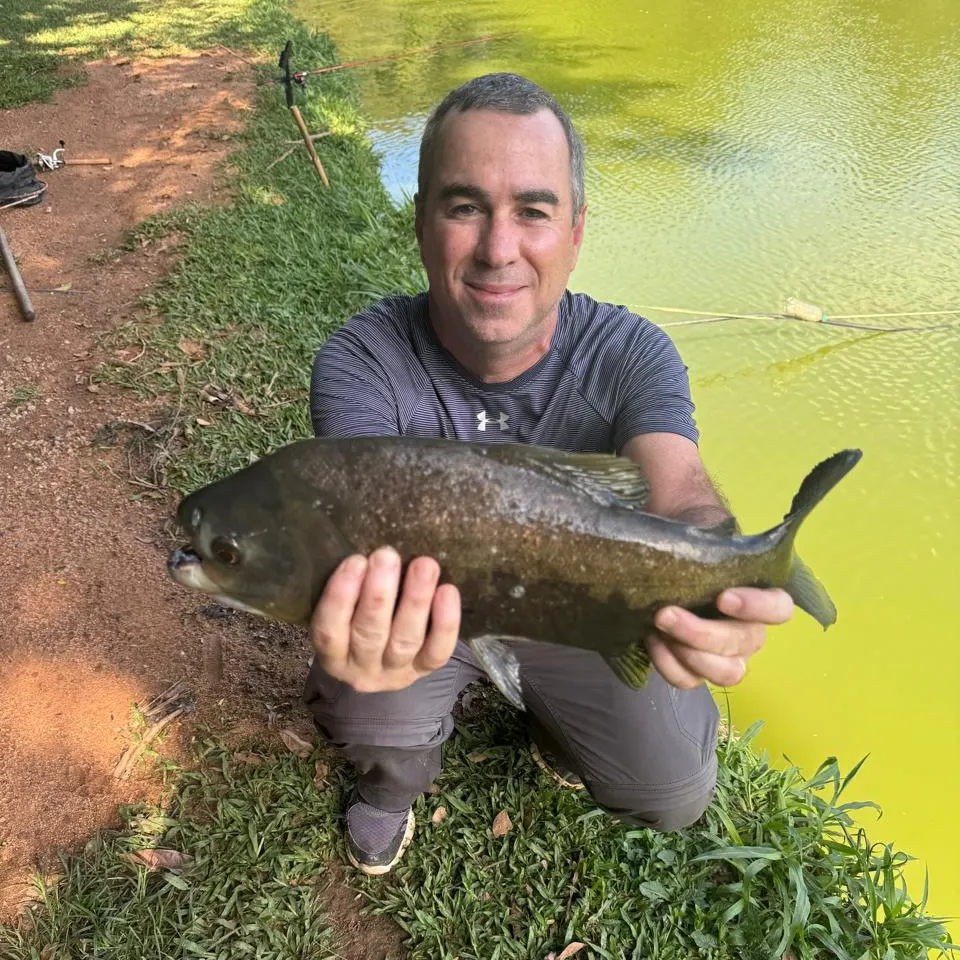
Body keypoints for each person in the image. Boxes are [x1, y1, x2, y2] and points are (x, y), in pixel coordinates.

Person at [303, 73, 794, 875]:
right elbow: (350, 533)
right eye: (464, 207)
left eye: (533, 210)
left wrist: (721, 571)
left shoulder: (632, 352)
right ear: (421, 223)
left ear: (576, 230)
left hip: (581, 608)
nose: (500, 249)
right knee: (362, 703)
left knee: (673, 792)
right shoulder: (362, 360)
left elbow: (683, 491)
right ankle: (390, 789)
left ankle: (552, 719)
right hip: (428, 611)